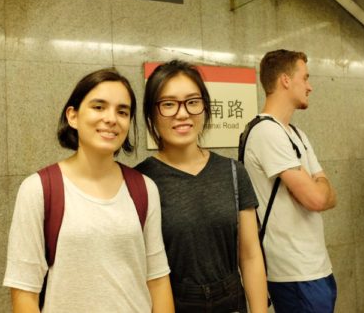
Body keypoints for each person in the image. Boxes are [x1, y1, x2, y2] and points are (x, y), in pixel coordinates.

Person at [3, 69, 174, 312]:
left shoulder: (144, 188)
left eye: (122, 111)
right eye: (98, 107)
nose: (111, 118)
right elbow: (24, 291)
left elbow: (157, 279)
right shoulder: (39, 189)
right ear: (73, 116)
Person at [135, 60, 268, 313]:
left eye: (192, 102)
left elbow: (250, 255)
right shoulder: (140, 181)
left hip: (232, 303)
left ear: (205, 108)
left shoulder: (232, 172)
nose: (182, 113)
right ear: (152, 113)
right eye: (168, 104)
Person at [243, 49, 338, 313]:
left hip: (316, 268)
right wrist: (317, 185)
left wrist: (317, 187)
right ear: (286, 80)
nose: (310, 87)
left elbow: (329, 194)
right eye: (305, 78)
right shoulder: (266, 132)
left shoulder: (295, 133)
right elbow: (318, 197)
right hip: (294, 273)